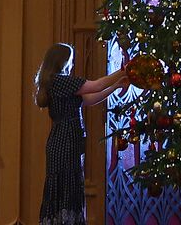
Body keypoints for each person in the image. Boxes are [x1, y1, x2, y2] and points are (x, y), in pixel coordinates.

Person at [34, 42, 128, 225]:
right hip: (64, 140)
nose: (71, 64)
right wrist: (122, 71)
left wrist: (116, 86)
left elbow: (90, 98)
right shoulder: (59, 81)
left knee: (69, 184)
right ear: (62, 61)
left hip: (66, 140)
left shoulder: (59, 83)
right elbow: (96, 85)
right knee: (66, 184)